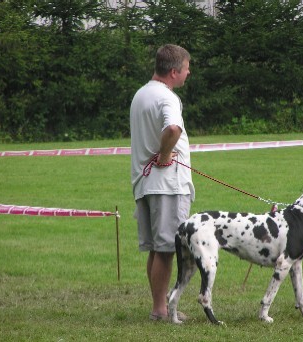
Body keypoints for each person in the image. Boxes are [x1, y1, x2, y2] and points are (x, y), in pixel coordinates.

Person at [130, 44, 195, 321]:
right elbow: (173, 129)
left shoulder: (141, 94)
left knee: (157, 249)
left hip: (144, 184)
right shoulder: (168, 98)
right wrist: (166, 154)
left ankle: (160, 306)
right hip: (167, 185)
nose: (188, 73)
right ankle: (160, 310)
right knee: (168, 249)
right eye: (186, 68)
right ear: (173, 71)